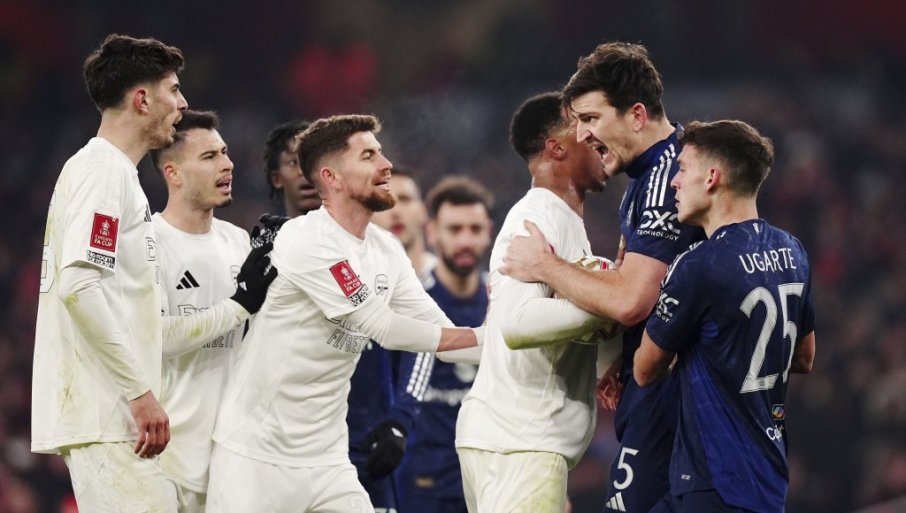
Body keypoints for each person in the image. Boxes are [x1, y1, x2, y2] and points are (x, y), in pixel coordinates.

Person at [207, 114, 481, 513]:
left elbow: (445, 335)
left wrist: (526, 338)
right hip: (256, 459)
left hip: (329, 462)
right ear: (331, 177)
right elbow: (384, 328)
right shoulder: (306, 240)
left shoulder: (386, 249)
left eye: (381, 153)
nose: (386, 165)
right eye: (369, 156)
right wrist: (487, 338)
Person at [500, 42, 706, 513]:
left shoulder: (664, 180)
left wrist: (544, 265)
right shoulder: (648, 178)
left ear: (637, 115)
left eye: (591, 118)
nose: (581, 135)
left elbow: (632, 300)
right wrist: (616, 354)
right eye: (576, 122)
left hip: (671, 394)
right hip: (663, 387)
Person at [31, 33, 188, 512]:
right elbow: (79, 286)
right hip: (110, 414)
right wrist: (139, 393)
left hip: (115, 416)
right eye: (173, 90)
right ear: (142, 100)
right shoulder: (103, 171)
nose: (182, 104)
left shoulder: (110, 172)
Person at [634, 120, 816, 513]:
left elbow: (645, 370)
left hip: (715, 479)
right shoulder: (794, 251)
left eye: (683, 169)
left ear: (712, 177)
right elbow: (803, 358)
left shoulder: (700, 264)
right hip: (766, 473)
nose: (674, 182)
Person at [456, 91, 619, 513]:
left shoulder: (560, 219)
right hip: (522, 442)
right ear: (557, 147)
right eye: (585, 127)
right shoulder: (536, 218)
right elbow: (519, 323)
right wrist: (609, 300)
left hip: (517, 442)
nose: (598, 137)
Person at [149, 109, 254, 512]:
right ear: (173, 173)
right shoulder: (148, 243)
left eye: (224, 153)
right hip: (169, 460)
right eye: (209, 156)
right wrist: (238, 307)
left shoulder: (239, 242)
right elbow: (156, 338)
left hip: (237, 455)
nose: (227, 164)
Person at [396, 176, 493, 513]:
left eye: (474, 229)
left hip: (489, 481)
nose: (465, 240)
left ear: (489, 233)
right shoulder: (409, 303)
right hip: (419, 485)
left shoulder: (504, 304)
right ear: (432, 232)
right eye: (454, 229)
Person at [371, 168, 438, 282]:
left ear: (423, 211)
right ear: (369, 216)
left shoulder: (448, 282)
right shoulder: (357, 282)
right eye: (384, 203)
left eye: (404, 199)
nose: (395, 211)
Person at [262, 119, 320, 218]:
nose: (303, 171)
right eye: (293, 163)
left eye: (312, 160)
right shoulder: (271, 229)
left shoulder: (348, 227)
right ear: (277, 179)